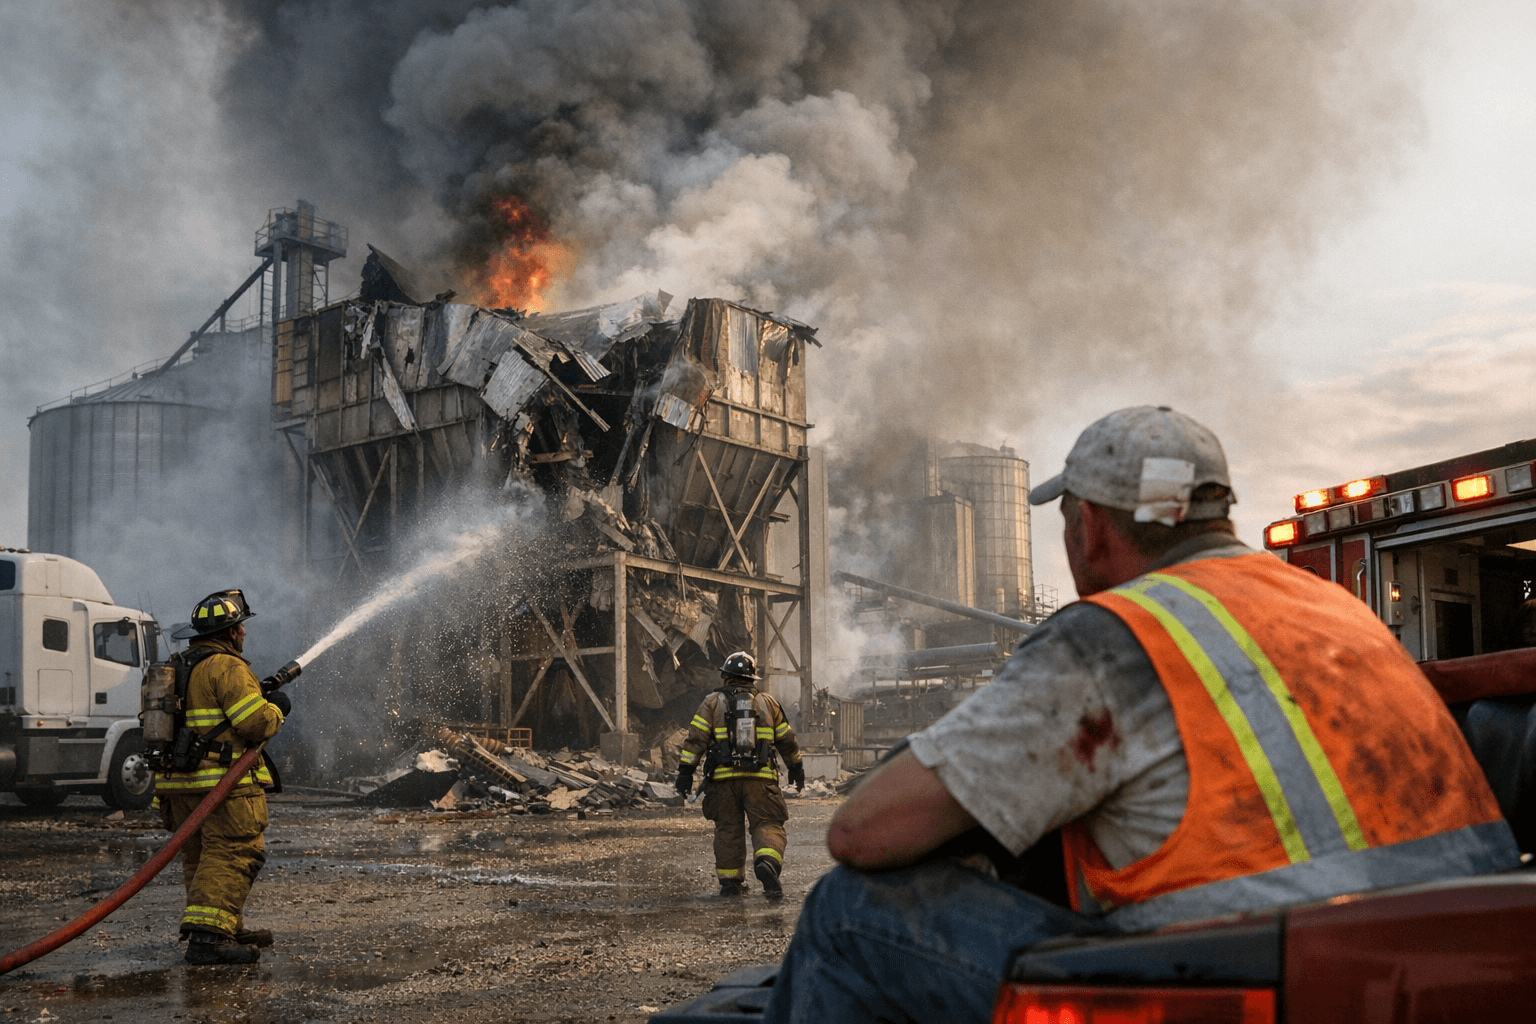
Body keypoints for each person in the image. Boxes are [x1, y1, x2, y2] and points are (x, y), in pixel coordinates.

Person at [762, 406, 1519, 1023]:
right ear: (1216, 512)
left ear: (1088, 525)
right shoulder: (1336, 609)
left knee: (849, 911)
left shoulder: (1115, 636)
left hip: (1248, 980)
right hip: (1451, 970)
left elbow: (862, 832)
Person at [161, 590, 290, 966]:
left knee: (201, 857)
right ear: (231, 633)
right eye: (241, 628)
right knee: (234, 851)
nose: (244, 635)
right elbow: (254, 724)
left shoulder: (174, 666)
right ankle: (207, 940)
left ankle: (222, 926)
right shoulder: (227, 668)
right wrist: (277, 710)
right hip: (222, 786)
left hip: (177, 786)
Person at [676, 651, 806, 899]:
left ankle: (730, 882)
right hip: (761, 779)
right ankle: (767, 862)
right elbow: (788, 740)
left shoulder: (711, 702)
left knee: (727, 829)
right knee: (767, 823)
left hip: (723, 781)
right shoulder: (768, 703)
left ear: (726, 676)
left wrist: (685, 773)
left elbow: (695, 740)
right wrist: (796, 768)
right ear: (752, 678)